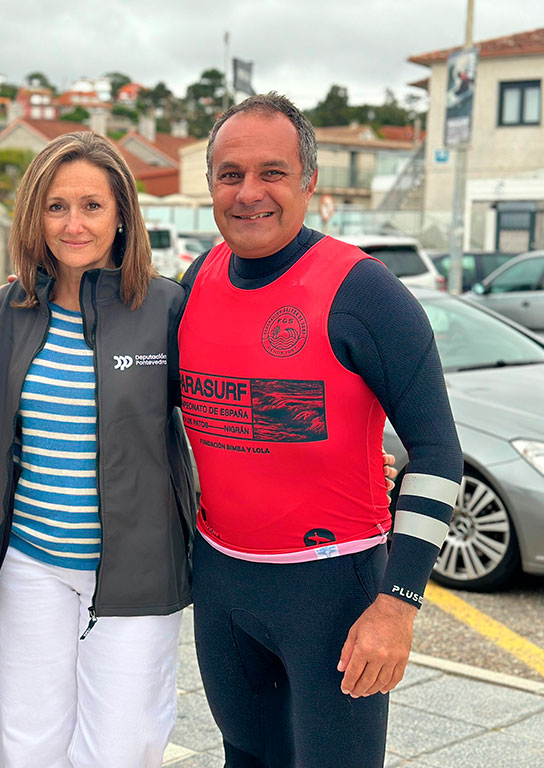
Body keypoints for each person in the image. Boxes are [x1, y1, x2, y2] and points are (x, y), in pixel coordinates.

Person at [179, 93, 462, 767]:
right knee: (244, 757)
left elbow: (438, 450)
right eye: (230, 174)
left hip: (332, 593)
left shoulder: (365, 292)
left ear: (309, 182)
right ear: (210, 184)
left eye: (272, 172)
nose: (249, 193)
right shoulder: (194, 280)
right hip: (220, 585)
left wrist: (399, 605)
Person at [0, 131, 195, 768]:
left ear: (122, 215)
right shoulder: (9, 309)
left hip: (135, 573)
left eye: (92, 206)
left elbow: (222, 415)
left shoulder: (166, 307)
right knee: (29, 745)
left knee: (121, 750)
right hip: (30, 566)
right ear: (35, 216)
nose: (73, 224)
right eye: (56, 206)